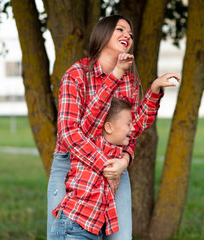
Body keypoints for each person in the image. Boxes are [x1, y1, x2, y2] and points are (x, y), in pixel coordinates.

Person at [47, 14, 180, 240]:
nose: (127, 35)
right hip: (72, 167)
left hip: (115, 165)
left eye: (130, 33)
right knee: (67, 233)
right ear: (103, 34)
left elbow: (131, 128)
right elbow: (70, 134)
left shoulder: (129, 80)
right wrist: (106, 167)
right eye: (120, 30)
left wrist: (155, 89)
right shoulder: (77, 76)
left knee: (121, 237)